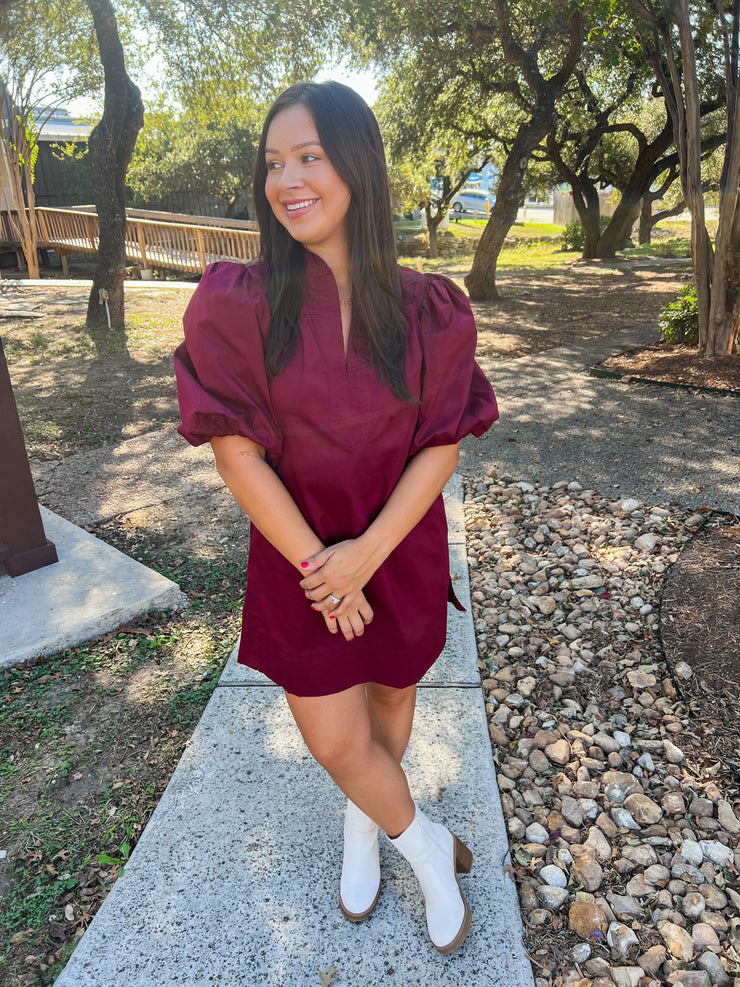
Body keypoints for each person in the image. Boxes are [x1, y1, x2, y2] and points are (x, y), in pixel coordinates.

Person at [174, 80, 498, 955]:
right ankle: (425, 845)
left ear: (357, 166)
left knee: (390, 695)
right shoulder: (238, 303)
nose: (287, 180)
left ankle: (367, 825)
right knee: (333, 736)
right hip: (299, 563)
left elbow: (442, 444)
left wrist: (368, 555)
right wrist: (328, 568)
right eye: (274, 162)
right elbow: (235, 453)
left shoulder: (429, 307)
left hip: (399, 546)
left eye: (309, 156)